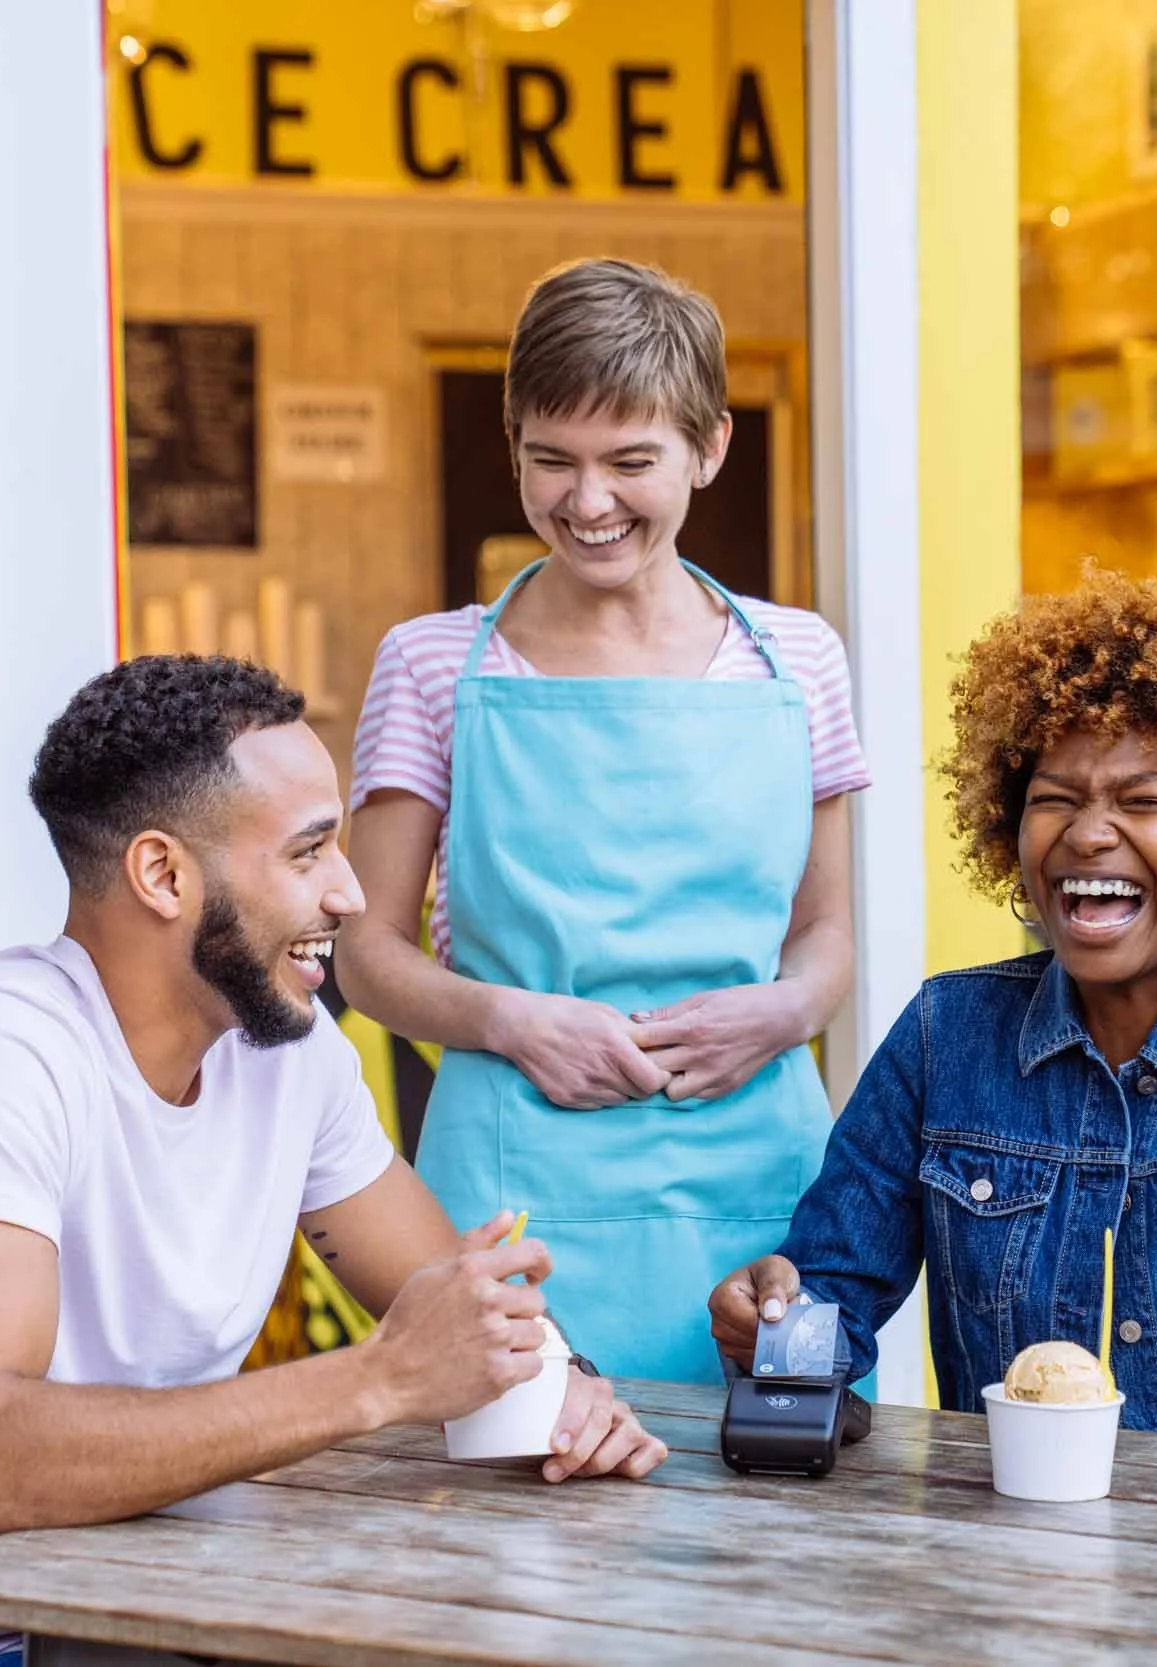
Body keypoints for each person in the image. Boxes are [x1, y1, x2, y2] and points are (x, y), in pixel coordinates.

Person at [0, 657, 664, 1667]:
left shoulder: (288, 1053)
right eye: (307, 852)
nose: (350, 891)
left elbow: (450, 1296)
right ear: (163, 874)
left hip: (137, 1617)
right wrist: (377, 1380)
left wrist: (559, 1383)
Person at [710, 572, 1157, 1455]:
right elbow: (830, 1292)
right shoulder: (949, 1033)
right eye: (1054, 798)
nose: (1089, 834)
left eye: (1143, 801)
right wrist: (779, 1331)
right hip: (1013, 1559)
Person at [337, 258, 868, 1385]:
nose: (587, 502)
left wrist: (776, 1013)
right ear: (513, 442)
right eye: (551, 461)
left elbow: (827, 936)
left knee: (779, 1514)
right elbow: (364, 951)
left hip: (757, 1183)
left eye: (631, 462)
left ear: (709, 447)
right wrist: (515, 1020)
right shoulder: (432, 664)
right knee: (522, 1531)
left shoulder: (798, 658)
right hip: (515, 1186)